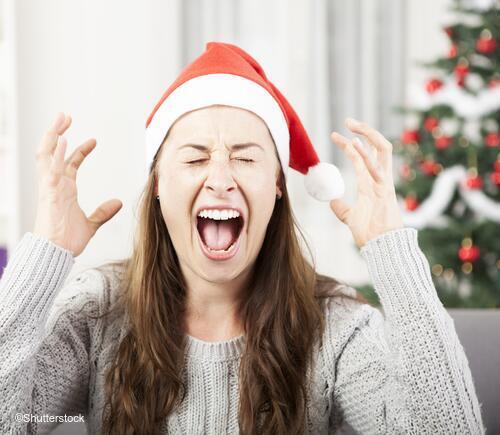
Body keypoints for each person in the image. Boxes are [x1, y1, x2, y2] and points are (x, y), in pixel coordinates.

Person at [0, 42, 484, 435]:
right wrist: (46, 252)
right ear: (159, 189)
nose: (220, 179)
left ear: (277, 185)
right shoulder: (96, 314)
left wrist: (392, 251)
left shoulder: (337, 328)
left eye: (246, 157)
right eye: (194, 159)